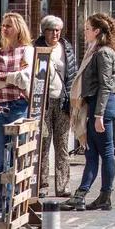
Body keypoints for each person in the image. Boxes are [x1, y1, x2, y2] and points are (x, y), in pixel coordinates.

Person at [65, 14, 115, 211]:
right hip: (94, 105)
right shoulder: (93, 50)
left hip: (101, 107)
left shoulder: (103, 53)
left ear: (97, 31)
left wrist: (98, 116)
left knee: (105, 152)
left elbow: (105, 86)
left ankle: (105, 195)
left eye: (88, 28)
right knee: (91, 152)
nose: (85, 31)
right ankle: (81, 195)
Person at [0, 12, 34, 201]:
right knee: (0, 159)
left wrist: (2, 77)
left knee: (16, 155)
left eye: (9, 26)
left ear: (19, 28)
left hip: (18, 106)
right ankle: (4, 205)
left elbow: (26, 78)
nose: (4, 29)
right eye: (3, 25)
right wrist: (9, 79)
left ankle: (16, 201)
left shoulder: (28, 51)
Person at [37, 15, 76, 197]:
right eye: (52, 30)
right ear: (44, 31)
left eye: (58, 30)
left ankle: (63, 185)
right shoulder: (35, 48)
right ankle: (42, 185)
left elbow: (72, 75)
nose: (55, 33)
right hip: (43, 102)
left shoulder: (66, 48)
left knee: (61, 145)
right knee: (43, 144)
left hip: (62, 101)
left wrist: (73, 100)